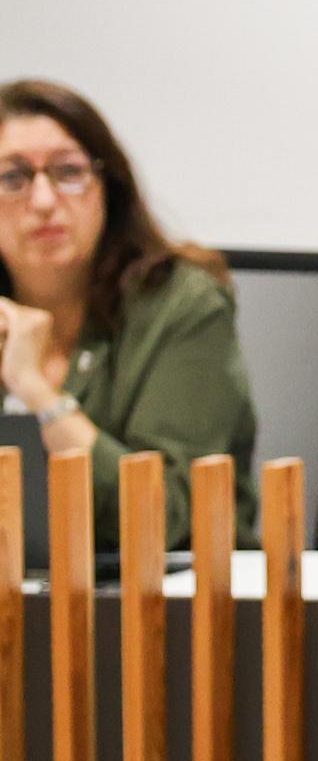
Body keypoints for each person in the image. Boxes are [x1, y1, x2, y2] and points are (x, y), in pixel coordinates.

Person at [0, 78, 258, 552]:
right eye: (12, 178)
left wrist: (36, 392)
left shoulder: (180, 305)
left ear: (108, 187)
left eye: (68, 171)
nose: (43, 201)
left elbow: (169, 518)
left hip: (176, 590)